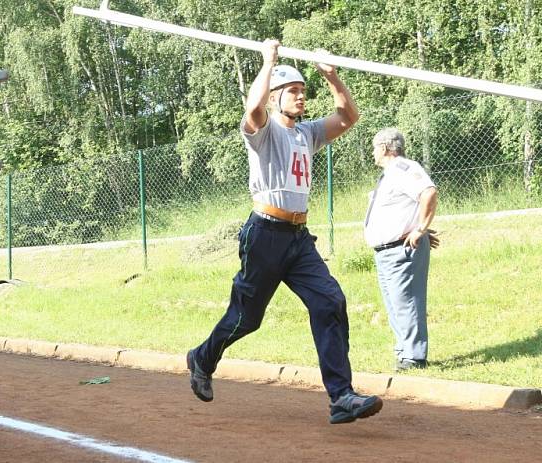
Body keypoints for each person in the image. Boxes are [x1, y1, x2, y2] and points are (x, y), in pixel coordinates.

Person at [186, 40, 383, 424]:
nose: (301, 98)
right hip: (263, 234)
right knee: (248, 318)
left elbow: (347, 117)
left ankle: (341, 397)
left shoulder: (306, 133)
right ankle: (203, 357)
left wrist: (331, 76)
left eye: (303, 92)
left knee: (329, 302)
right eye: (293, 92)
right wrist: (268, 61)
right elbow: (252, 108)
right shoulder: (261, 130)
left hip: (298, 238)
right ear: (275, 97)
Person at [364, 128, 438, 372]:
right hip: (386, 251)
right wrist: (420, 228)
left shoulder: (404, 168)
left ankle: (415, 356)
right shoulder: (390, 174)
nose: (373, 152)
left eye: (375, 147)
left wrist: (421, 229)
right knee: (395, 303)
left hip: (401, 250)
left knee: (406, 301)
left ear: (385, 148)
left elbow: (428, 193)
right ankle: (404, 351)